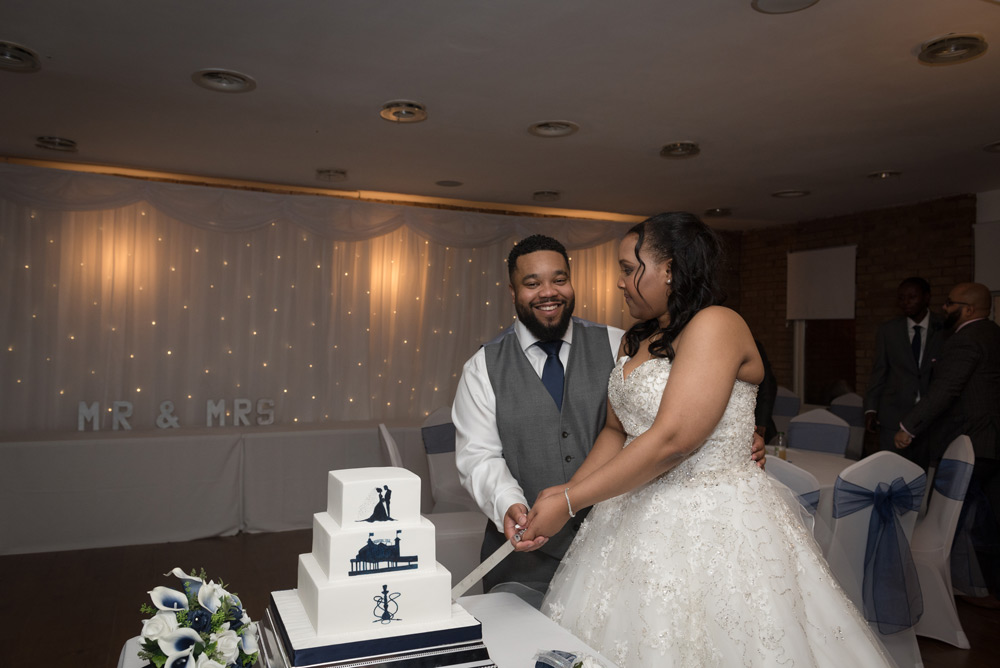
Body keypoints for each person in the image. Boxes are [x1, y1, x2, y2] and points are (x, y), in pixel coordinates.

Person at [521, 213, 892, 666]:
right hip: (630, 517)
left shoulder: (717, 323)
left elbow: (675, 439)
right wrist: (562, 494)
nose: (618, 282)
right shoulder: (635, 341)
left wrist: (571, 501)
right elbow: (616, 432)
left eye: (626, 268)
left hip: (713, 522)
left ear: (670, 269)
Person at [453, 234, 765, 595]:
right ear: (513, 292)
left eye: (559, 279)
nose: (548, 292)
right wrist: (511, 504)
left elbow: (687, 409)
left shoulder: (625, 342)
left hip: (619, 538)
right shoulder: (482, 367)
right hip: (526, 555)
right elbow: (479, 456)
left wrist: (733, 437)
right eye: (532, 283)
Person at [895, 282, 1000, 605]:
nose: (944, 308)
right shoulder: (994, 334)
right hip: (990, 443)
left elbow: (946, 390)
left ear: (968, 310)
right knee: (984, 517)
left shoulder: (965, 340)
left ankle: (953, 589)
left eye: (950, 304)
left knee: (957, 520)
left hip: (971, 443)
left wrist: (908, 427)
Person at [864, 277, 946, 465]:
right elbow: (879, 371)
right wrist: (871, 408)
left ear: (926, 298)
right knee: (891, 473)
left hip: (931, 419)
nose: (905, 302)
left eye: (912, 297)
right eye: (901, 298)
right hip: (893, 416)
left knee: (925, 475)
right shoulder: (889, 331)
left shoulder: (944, 328)